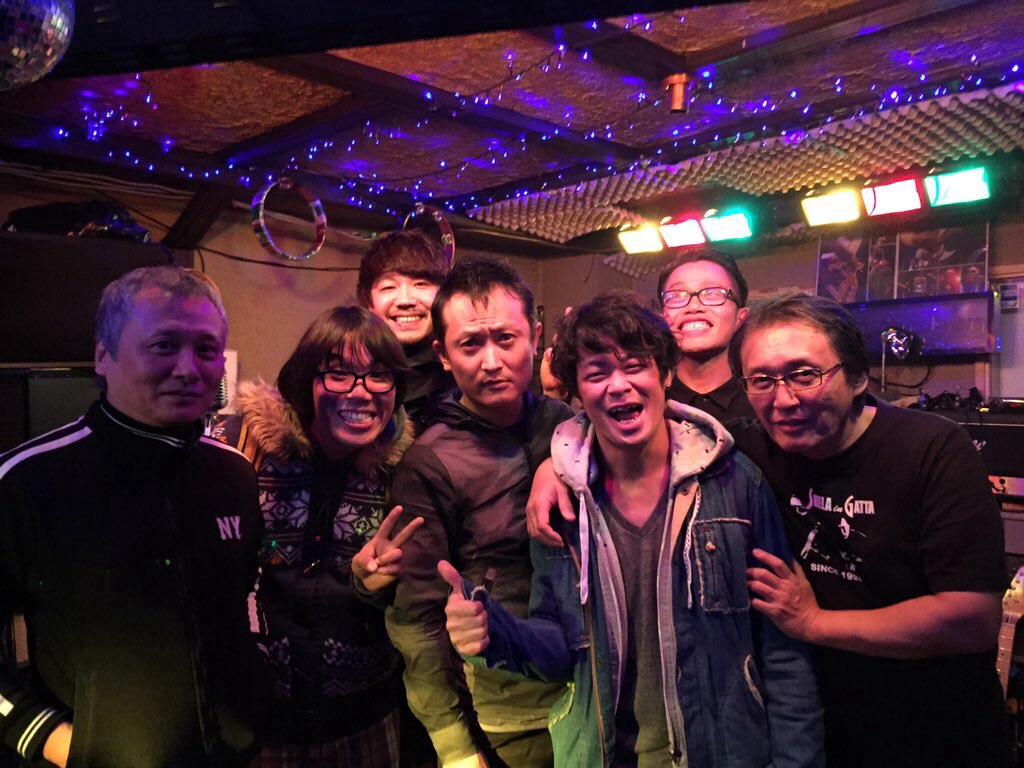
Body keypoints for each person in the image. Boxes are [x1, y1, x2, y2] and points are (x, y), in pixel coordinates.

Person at [441, 290, 824, 768]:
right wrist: (495, 634)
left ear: (665, 374)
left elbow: (783, 651)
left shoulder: (735, 483)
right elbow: (563, 649)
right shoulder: (562, 503)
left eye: (635, 366)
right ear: (578, 395)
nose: (618, 386)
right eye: (597, 373)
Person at [0, 266, 267, 767]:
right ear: (103, 355)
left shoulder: (233, 473)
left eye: (206, 349)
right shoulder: (26, 479)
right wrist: (54, 739)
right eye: (164, 345)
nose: (188, 369)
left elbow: (246, 599)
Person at [732, 293, 1006, 767]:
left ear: (858, 376)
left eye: (804, 374)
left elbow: (971, 619)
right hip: (822, 736)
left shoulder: (932, 449)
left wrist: (813, 623)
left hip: (939, 736)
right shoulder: (752, 448)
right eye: (762, 380)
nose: (783, 399)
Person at [213, 306, 424, 767]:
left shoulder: (407, 468)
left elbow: (419, 606)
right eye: (339, 374)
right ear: (306, 380)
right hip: (254, 724)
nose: (360, 392)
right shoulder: (237, 444)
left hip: (365, 720)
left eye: (379, 376)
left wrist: (373, 586)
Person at [386, 257, 572, 768]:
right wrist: (454, 745)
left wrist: (558, 458)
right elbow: (416, 619)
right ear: (443, 355)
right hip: (510, 715)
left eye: (506, 339)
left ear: (534, 336)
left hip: (598, 688)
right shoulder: (429, 461)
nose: (492, 361)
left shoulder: (570, 427)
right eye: (470, 344)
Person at [358, 230, 454, 430]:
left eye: (420, 284)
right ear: (369, 303)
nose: (405, 300)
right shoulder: (346, 375)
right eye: (388, 287)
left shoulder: (464, 375)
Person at [657, 249, 757, 426]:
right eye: (677, 296)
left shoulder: (765, 404)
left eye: (712, 293)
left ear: (740, 318)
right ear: (662, 318)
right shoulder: (651, 408)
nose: (693, 307)